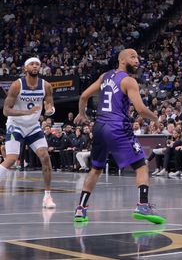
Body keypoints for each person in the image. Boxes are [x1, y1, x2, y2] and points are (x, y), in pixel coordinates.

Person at [72, 49, 165, 224]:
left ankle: (81, 209)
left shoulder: (105, 76)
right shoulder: (129, 81)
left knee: (96, 169)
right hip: (118, 127)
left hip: (99, 127)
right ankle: (142, 206)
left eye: (138, 57)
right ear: (122, 60)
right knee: (141, 165)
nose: (137, 60)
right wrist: (156, 119)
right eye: (133, 57)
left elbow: (84, 95)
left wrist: (82, 113)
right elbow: (140, 109)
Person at [0, 57, 56, 208]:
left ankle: (47, 197)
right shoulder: (16, 85)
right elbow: (6, 110)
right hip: (15, 124)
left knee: (45, 157)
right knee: (12, 158)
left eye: (37, 64)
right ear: (25, 69)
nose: (35, 66)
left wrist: (50, 110)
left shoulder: (46, 86)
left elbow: (49, 104)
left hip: (33, 126)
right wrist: (27, 112)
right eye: (32, 64)